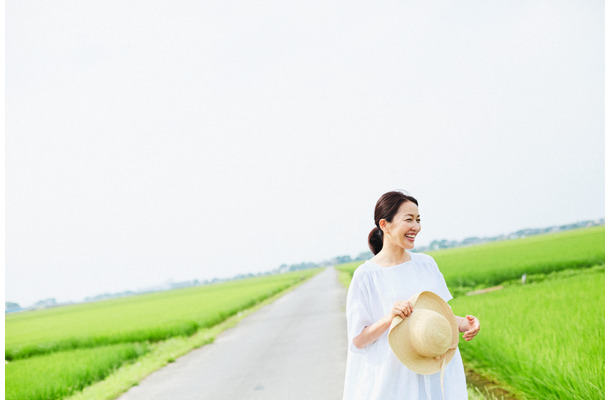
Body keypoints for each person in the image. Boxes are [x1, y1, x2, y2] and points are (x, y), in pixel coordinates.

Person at [343, 191, 480, 400]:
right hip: (394, 381)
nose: (415, 226)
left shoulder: (426, 264)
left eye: (418, 219)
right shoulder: (366, 276)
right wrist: (390, 318)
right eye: (408, 219)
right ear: (384, 224)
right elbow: (358, 341)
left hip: (434, 372)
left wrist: (465, 324)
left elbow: (441, 316)